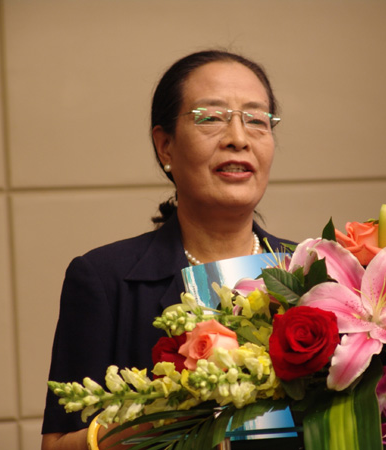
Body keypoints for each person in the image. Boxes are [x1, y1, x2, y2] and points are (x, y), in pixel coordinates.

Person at [41, 49, 293, 450]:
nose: (238, 138)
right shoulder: (104, 279)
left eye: (257, 120)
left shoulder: (313, 273)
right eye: (210, 117)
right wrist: (165, 418)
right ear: (165, 146)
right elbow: (56, 445)